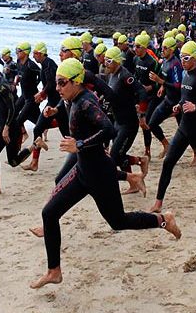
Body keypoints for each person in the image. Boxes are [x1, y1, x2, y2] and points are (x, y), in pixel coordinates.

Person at [30, 58, 181, 289]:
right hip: (83, 172)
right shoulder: (72, 100)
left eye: (61, 83)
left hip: (99, 174)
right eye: (56, 83)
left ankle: (162, 220)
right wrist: (56, 114)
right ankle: (54, 271)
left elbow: (108, 130)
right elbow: (76, 124)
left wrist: (79, 145)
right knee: (49, 213)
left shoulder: (86, 103)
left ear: (76, 82)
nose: (57, 88)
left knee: (118, 221)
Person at [150, 40, 196, 212]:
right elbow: (185, 96)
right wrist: (179, 105)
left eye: (187, 57)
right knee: (168, 163)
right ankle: (158, 203)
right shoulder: (185, 75)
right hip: (184, 127)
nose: (183, 61)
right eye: (181, 57)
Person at [102, 45, 150, 185]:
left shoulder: (125, 75)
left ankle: (140, 161)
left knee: (114, 157)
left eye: (109, 61)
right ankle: (134, 182)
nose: (106, 63)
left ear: (117, 61)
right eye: (105, 60)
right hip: (117, 121)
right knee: (118, 155)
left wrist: (142, 115)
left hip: (128, 124)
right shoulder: (111, 75)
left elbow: (141, 92)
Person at [0, 59, 29, 194]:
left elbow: (12, 108)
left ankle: (34, 146)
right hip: (2, 126)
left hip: (10, 127)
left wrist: (6, 128)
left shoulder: (2, 86)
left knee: (13, 161)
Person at [20, 42, 67, 171]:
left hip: (56, 103)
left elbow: (52, 83)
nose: (33, 56)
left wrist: (42, 93)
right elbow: (49, 83)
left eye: (35, 54)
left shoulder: (49, 65)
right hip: (53, 101)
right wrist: (43, 93)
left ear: (40, 54)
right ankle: (34, 163)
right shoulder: (45, 64)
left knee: (66, 133)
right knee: (39, 129)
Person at [148, 37, 184, 157]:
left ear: (172, 50)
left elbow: (178, 86)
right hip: (168, 99)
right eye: (162, 47)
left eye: (165, 48)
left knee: (185, 131)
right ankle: (166, 145)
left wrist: (160, 82)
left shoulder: (175, 64)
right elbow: (167, 78)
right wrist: (162, 87)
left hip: (177, 102)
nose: (162, 50)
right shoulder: (165, 61)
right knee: (152, 123)